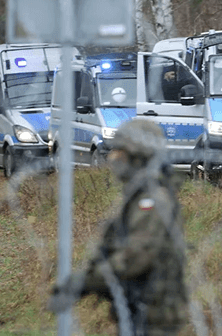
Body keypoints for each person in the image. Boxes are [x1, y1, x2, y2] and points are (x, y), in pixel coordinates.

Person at [48, 119, 188, 336]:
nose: (113, 157)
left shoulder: (153, 199)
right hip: (137, 309)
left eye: (119, 150)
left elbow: (136, 256)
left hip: (153, 314)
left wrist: (85, 283)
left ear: (136, 154)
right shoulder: (137, 195)